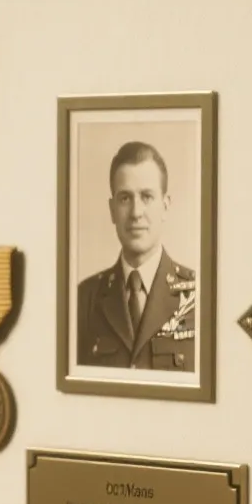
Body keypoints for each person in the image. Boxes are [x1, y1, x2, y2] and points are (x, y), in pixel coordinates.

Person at [76, 141, 197, 371]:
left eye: (147, 197)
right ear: (112, 210)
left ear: (165, 205)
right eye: (125, 198)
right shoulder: (84, 299)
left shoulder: (197, 296)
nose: (136, 213)